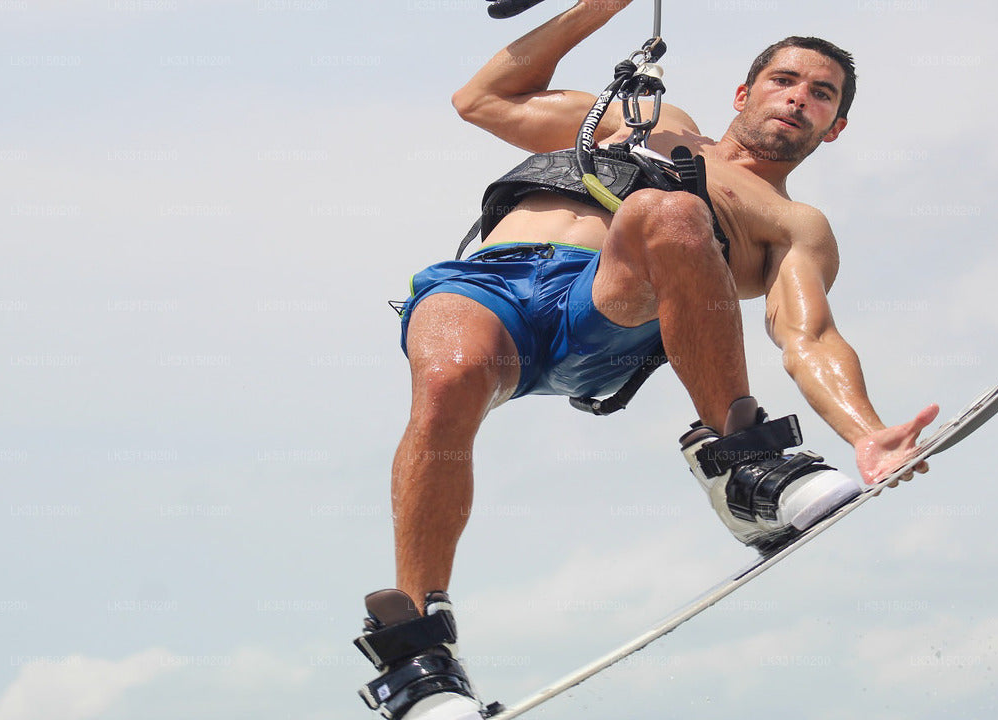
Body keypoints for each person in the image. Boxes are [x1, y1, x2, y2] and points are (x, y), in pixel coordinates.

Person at [352, 3, 939, 718]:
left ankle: (745, 463)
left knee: (672, 211)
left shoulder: (793, 224)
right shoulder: (646, 119)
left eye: (821, 95)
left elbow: (808, 336)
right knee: (447, 378)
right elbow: (481, 99)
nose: (798, 99)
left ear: (835, 126)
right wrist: (600, 7)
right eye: (784, 81)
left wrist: (866, 432)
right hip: (490, 288)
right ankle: (418, 656)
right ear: (744, 93)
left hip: (604, 313)